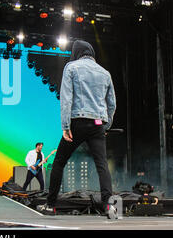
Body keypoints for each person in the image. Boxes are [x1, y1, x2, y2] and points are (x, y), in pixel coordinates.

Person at [40, 40, 116, 218]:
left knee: (59, 162)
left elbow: (66, 98)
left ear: (77, 52)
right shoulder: (105, 73)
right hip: (98, 124)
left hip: (77, 122)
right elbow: (112, 103)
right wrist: (106, 125)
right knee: (102, 165)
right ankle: (109, 207)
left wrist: (66, 126)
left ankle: (50, 205)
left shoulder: (71, 67)